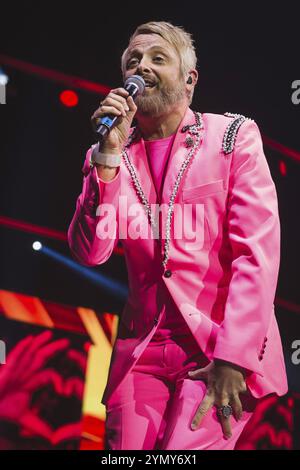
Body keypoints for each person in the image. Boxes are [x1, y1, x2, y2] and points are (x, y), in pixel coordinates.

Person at [67, 21, 288, 450]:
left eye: (157, 58)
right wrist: (106, 160)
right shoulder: (111, 154)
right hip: (141, 354)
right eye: (133, 59)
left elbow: (256, 255)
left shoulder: (231, 138)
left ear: (189, 80)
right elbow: (91, 251)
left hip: (215, 348)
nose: (141, 66)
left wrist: (233, 358)